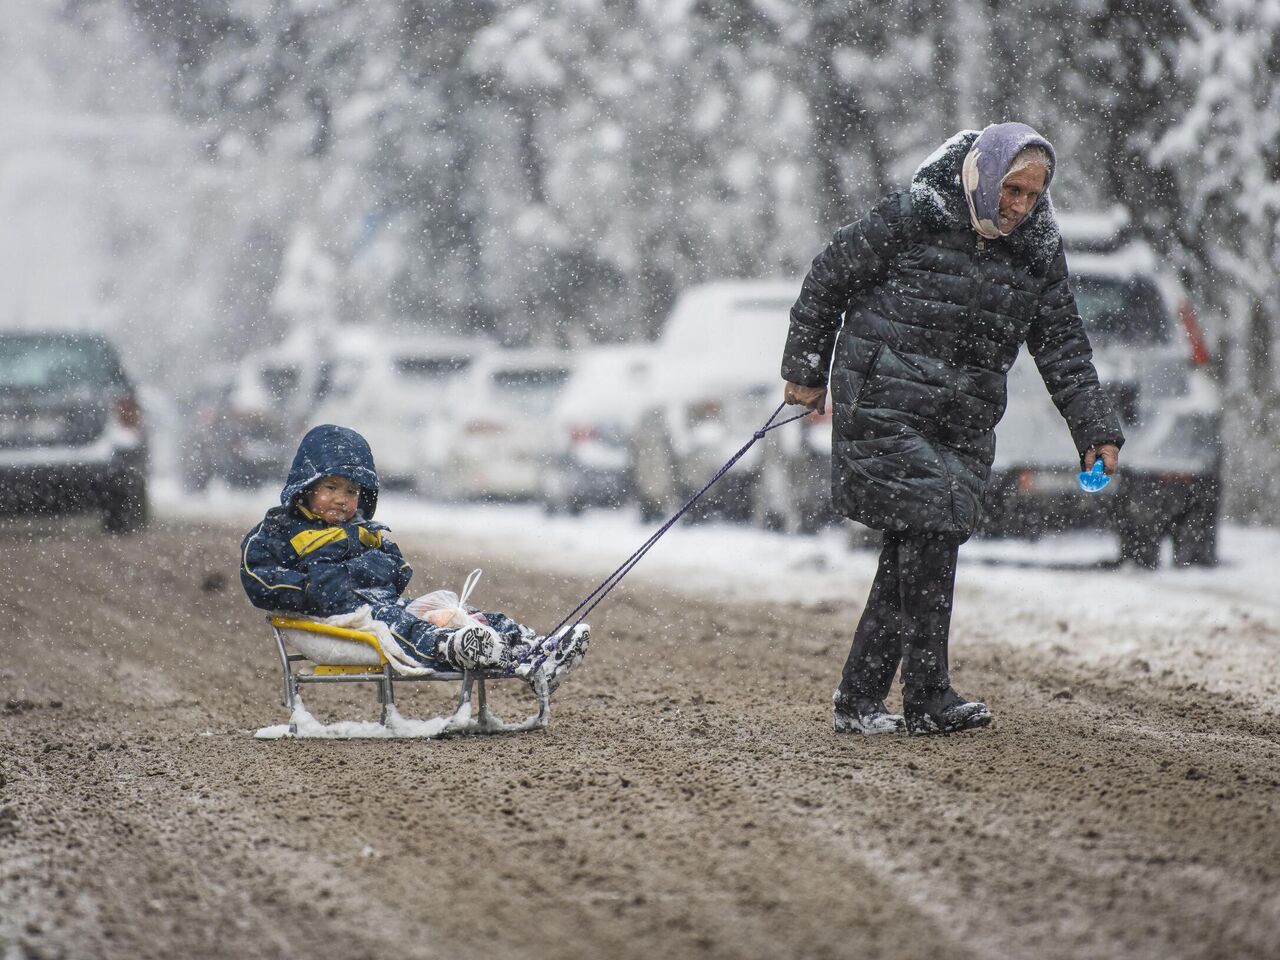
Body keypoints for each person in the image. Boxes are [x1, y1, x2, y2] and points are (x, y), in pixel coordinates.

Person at [780, 122, 1123, 736]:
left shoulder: (1037, 250)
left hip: (960, 416)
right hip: (882, 396)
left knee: (920, 537)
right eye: (1012, 189)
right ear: (984, 174)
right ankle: (928, 694)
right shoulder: (917, 215)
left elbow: (1062, 342)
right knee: (931, 523)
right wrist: (806, 372)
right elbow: (827, 277)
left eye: (1033, 195)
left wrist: (1092, 427)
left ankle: (859, 698)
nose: (1020, 207)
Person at [240, 423, 588, 686]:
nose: (342, 500)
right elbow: (258, 577)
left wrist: (368, 567)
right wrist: (314, 587)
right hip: (331, 619)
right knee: (400, 625)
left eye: (351, 491)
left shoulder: (364, 531)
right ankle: (451, 648)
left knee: (448, 610)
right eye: (330, 488)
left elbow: (398, 568)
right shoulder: (279, 530)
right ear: (307, 485)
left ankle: (530, 649)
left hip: (380, 604)